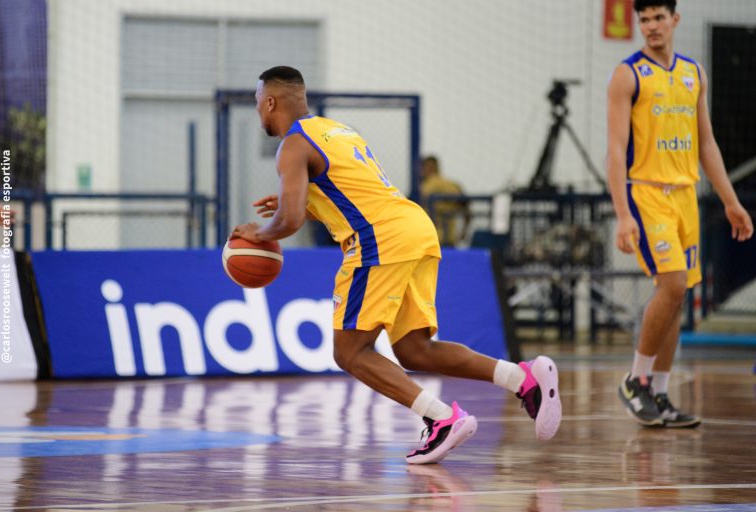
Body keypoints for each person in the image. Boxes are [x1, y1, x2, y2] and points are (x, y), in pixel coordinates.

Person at [230, 66, 562, 464]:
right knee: (414, 350)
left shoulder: (293, 145)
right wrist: (305, 203)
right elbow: (351, 192)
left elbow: (289, 221)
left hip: (379, 240)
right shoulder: (336, 130)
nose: (258, 112)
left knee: (350, 352)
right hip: (414, 227)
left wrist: (259, 233)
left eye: (257, 103)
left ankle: (440, 418)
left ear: (270, 102)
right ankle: (523, 378)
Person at [607, 0, 753, 428]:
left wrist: (730, 200)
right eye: (644, 19)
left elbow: (706, 143)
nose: (651, 26)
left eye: (658, 18)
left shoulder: (694, 73)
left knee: (678, 295)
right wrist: (622, 214)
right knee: (671, 285)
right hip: (647, 193)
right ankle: (635, 380)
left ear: (675, 19)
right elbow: (615, 150)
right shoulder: (627, 74)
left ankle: (660, 393)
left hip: (686, 195)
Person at [419, 155, 470, 247]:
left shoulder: (425, 186)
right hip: (450, 238)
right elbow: (467, 211)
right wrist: (463, 232)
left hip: (429, 239)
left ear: (427, 167)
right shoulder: (453, 185)